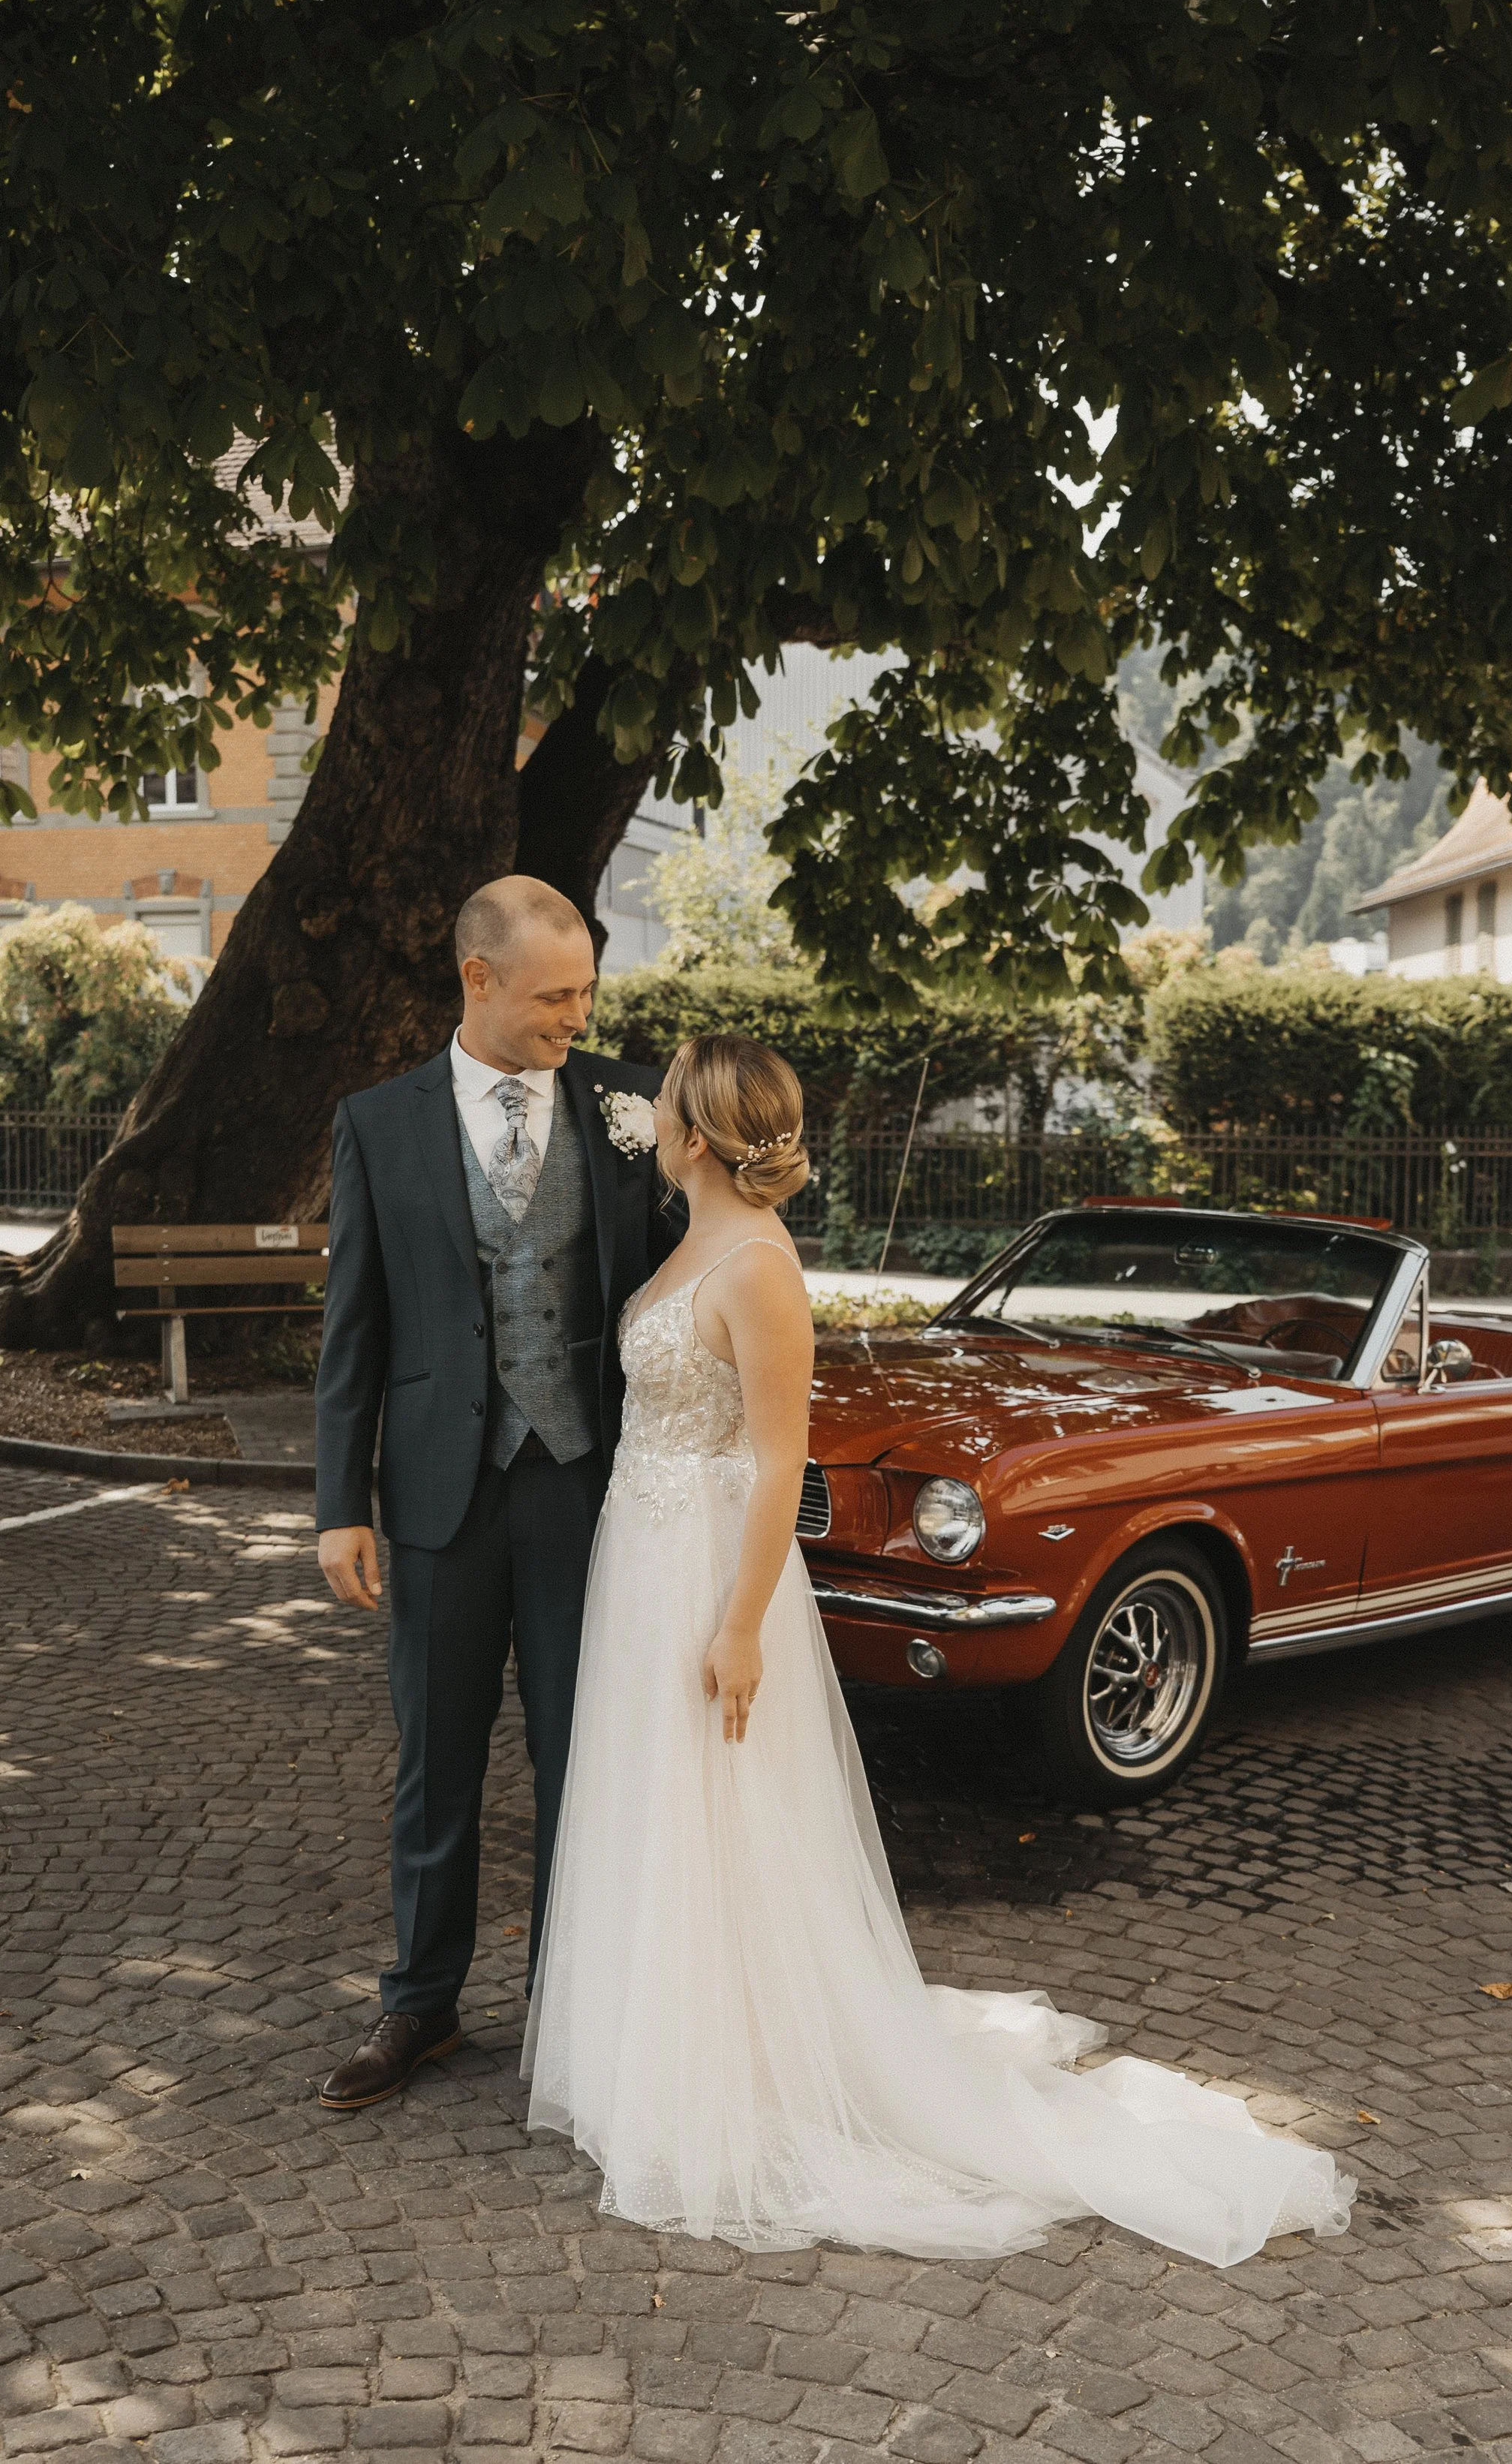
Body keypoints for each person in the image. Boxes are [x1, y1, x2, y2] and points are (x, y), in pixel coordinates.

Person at [524, 1031, 1354, 2266]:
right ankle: (654, 2046)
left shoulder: (757, 1265)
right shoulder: (687, 1238)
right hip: (641, 1555)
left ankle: (737, 2071)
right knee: (656, 1799)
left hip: (708, 1567)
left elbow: (779, 1462)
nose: (642, 1110)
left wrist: (742, 1622)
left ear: (695, 1133)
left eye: (662, 1101)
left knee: (722, 1813)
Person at [312, 876, 680, 2112]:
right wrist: (338, 1504)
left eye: (587, 990)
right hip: (436, 1494)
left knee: (591, 1754)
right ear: (479, 979)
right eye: (555, 995)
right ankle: (418, 2002)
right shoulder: (377, 1122)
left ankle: (581, 2008)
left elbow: (698, 1258)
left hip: (588, 1485)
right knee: (439, 1761)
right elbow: (353, 1329)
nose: (579, 1014)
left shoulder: (631, 1102)